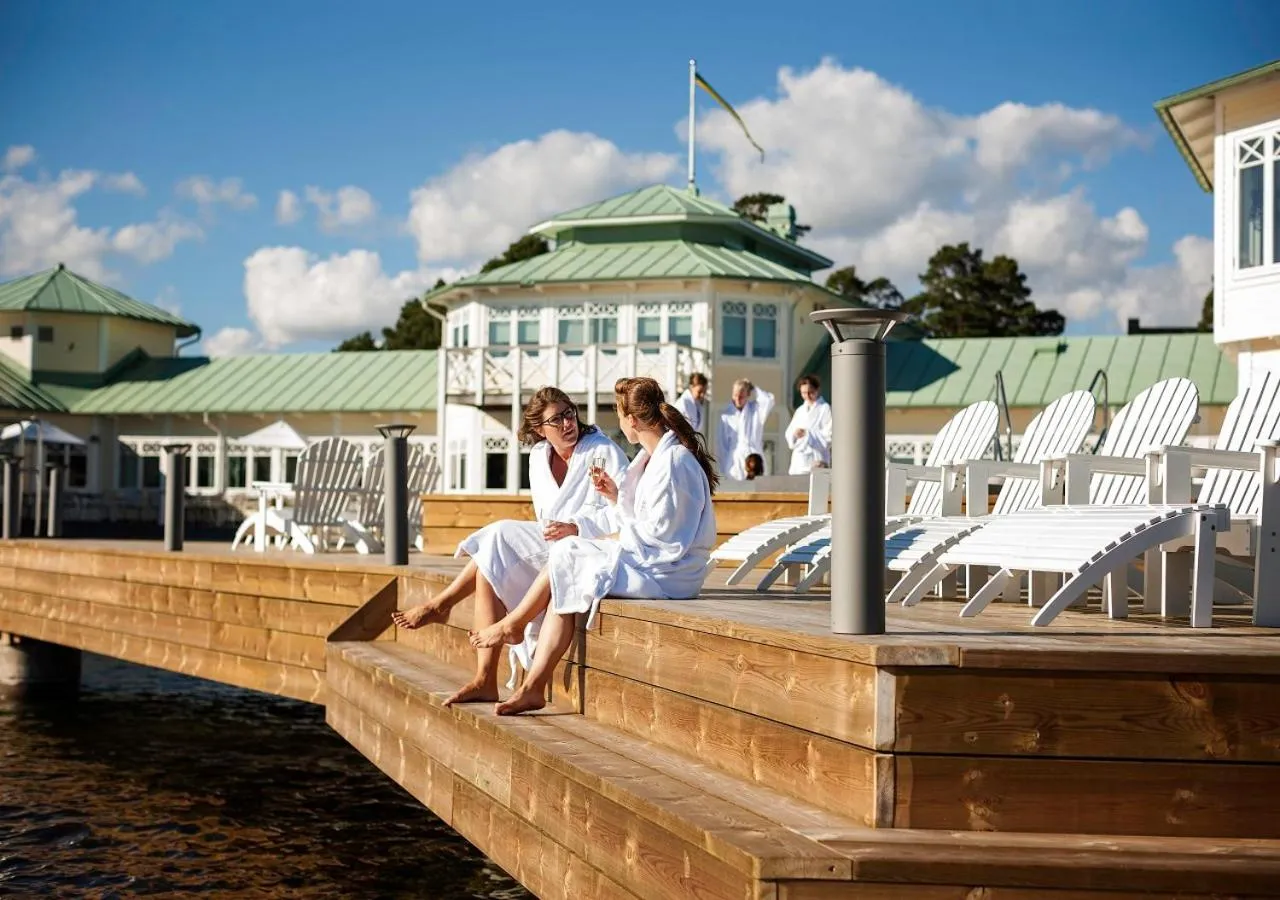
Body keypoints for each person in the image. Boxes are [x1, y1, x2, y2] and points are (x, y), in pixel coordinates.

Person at [469, 376, 719, 716]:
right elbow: (651, 521)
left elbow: (667, 540)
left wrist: (610, 539)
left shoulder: (674, 462)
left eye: (618, 415)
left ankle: (514, 626)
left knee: (570, 553)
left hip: (669, 574)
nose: (617, 424)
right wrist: (616, 497)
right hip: (650, 561)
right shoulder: (655, 459)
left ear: (631, 420)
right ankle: (533, 687)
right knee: (567, 564)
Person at [390, 387, 628, 705]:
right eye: (556, 420)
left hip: (590, 545)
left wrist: (578, 526)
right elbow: (544, 518)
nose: (568, 423)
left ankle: (443, 606)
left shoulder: (603, 451)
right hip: (553, 544)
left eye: (569, 413)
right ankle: (483, 679)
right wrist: (560, 530)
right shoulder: (537, 459)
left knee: (497, 537)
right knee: (494, 549)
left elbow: (625, 511)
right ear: (539, 429)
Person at [716, 378, 775, 481]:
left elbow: (769, 400)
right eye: (735, 395)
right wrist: (724, 468)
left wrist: (754, 388)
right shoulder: (726, 415)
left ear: (748, 395)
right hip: (735, 462)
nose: (738, 399)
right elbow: (722, 445)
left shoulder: (756, 410)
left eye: (741, 396)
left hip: (755, 457)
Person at [784, 374, 832, 473]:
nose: (807, 396)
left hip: (817, 458)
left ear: (817, 389)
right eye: (804, 393)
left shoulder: (825, 408)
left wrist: (808, 434)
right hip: (800, 459)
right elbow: (789, 433)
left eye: (811, 392)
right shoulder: (800, 411)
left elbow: (829, 435)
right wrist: (795, 434)